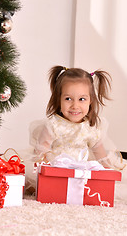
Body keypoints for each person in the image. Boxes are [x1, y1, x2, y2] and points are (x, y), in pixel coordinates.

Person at [23, 65, 126, 195]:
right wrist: (42, 175)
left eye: (82, 99)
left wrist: (106, 175)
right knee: (38, 187)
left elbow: (101, 158)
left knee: (87, 188)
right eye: (68, 99)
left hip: (81, 170)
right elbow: (40, 153)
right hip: (57, 169)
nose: (75, 106)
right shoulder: (54, 124)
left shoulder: (91, 128)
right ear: (59, 99)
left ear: (90, 101)